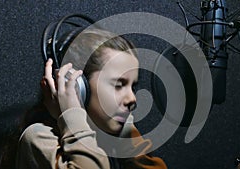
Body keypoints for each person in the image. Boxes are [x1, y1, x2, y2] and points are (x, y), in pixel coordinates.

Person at [16, 28, 167, 169]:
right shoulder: (38, 138)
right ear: (78, 86)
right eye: (119, 85)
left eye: (132, 87)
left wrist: (127, 137)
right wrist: (72, 115)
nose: (132, 99)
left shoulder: (110, 136)